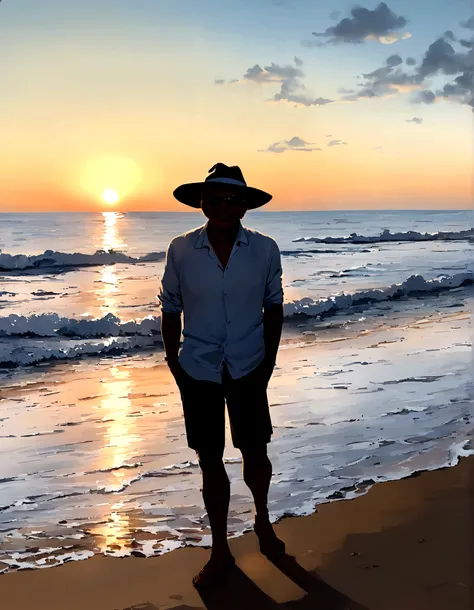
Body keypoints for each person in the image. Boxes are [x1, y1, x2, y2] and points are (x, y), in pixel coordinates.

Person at [157, 162, 285, 588]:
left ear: (245, 206)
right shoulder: (180, 249)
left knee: (255, 451)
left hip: (250, 364)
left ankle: (263, 521)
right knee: (209, 458)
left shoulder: (265, 249)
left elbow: (274, 306)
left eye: (232, 199)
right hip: (198, 368)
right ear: (201, 203)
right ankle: (220, 547)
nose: (222, 206)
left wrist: (267, 362)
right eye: (214, 199)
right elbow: (170, 306)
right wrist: (173, 362)